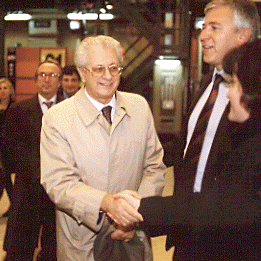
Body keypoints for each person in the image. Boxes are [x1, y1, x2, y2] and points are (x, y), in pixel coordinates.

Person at [113, 36, 261, 260]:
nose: (229, 93)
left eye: (235, 83)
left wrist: (139, 207)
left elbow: (217, 209)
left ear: (260, 89)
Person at [134, 0, 261, 259]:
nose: (203, 35)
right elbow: (189, 145)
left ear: (242, 36)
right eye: (203, 27)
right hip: (186, 231)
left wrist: (143, 211)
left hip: (230, 239)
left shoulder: (256, 93)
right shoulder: (206, 83)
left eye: (214, 28)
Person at [40, 35, 166, 261]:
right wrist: (107, 203)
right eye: (98, 69)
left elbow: (154, 167)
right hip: (82, 243)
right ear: (81, 72)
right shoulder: (57, 118)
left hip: (132, 237)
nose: (107, 76)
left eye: (113, 68)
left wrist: (131, 216)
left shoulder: (139, 107)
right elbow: (59, 182)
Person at [3, 60, 63, 261]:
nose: (47, 80)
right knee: (20, 247)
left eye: (52, 75)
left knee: (54, 245)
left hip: (60, 187)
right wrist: (37, 172)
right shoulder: (19, 110)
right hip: (28, 186)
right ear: (36, 80)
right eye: (42, 75)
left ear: (60, 81)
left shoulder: (70, 109)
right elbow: (11, 148)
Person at [0, 78, 15, 215]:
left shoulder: (15, 108)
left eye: (5, 88)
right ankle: (14, 205)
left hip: (8, 149)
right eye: (0, 88)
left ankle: (15, 206)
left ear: (10, 91)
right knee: (3, 177)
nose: (3, 91)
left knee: (5, 176)